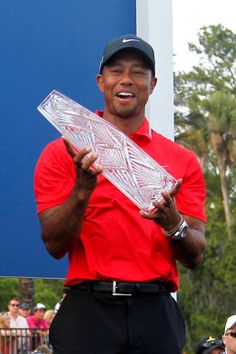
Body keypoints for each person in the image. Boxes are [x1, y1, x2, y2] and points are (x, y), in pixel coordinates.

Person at [34, 34, 207, 354]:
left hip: (155, 312)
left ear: (152, 84)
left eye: (138, 71)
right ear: (101, 82)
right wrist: (82, 190)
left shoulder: (181, 161)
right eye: (116, 70)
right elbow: (54, 244)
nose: (126, 79)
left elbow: (195, 254)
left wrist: (173, 223)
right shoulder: (63, 152)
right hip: (88, 313)